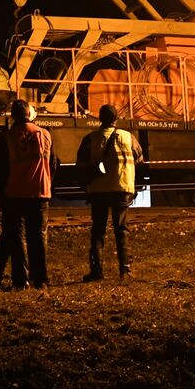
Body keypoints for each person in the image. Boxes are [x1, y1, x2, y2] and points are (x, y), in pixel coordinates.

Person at [0, 100, 59, 290]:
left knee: (17, 237)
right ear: (29, 112)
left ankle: (21, 281)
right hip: (40, 192)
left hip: (15, 193)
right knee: (38, 236)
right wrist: (46, 181)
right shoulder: (45, 134)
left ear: (13, 115)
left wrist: (2, 195)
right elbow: (53, 164)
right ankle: (41, 280)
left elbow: (1, 169)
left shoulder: (8, 137)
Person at [77, 104, 145, 281]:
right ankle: (125, 270)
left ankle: (97, 271)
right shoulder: (128, 137)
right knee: (121, 229)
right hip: (121, 189)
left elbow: (81, 167)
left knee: (98, 231)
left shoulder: (90, 139)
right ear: (116, 119)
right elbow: (139, 160)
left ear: (100, 118)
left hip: (98, 191)